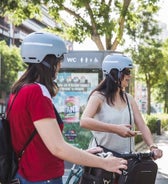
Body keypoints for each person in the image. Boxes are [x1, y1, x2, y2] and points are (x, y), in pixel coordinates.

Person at [8, 32, 127, 184]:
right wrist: (105, 163)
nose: (60, 65)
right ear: (48, 61)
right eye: (59, 59)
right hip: (42, 178)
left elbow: (45, 143)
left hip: (26, 175)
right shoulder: (36, 92)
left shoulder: (19, 90)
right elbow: (58, 148)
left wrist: (83, 155)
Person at [80, 54, 163, 158]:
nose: (130, 76)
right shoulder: (98, 97)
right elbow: (84, 121)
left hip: (127, 159)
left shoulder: (129, 99)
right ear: (115, 73)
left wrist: (153, 146)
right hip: (102, 160)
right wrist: (116, 129)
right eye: (127, 72)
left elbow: (142, 125)